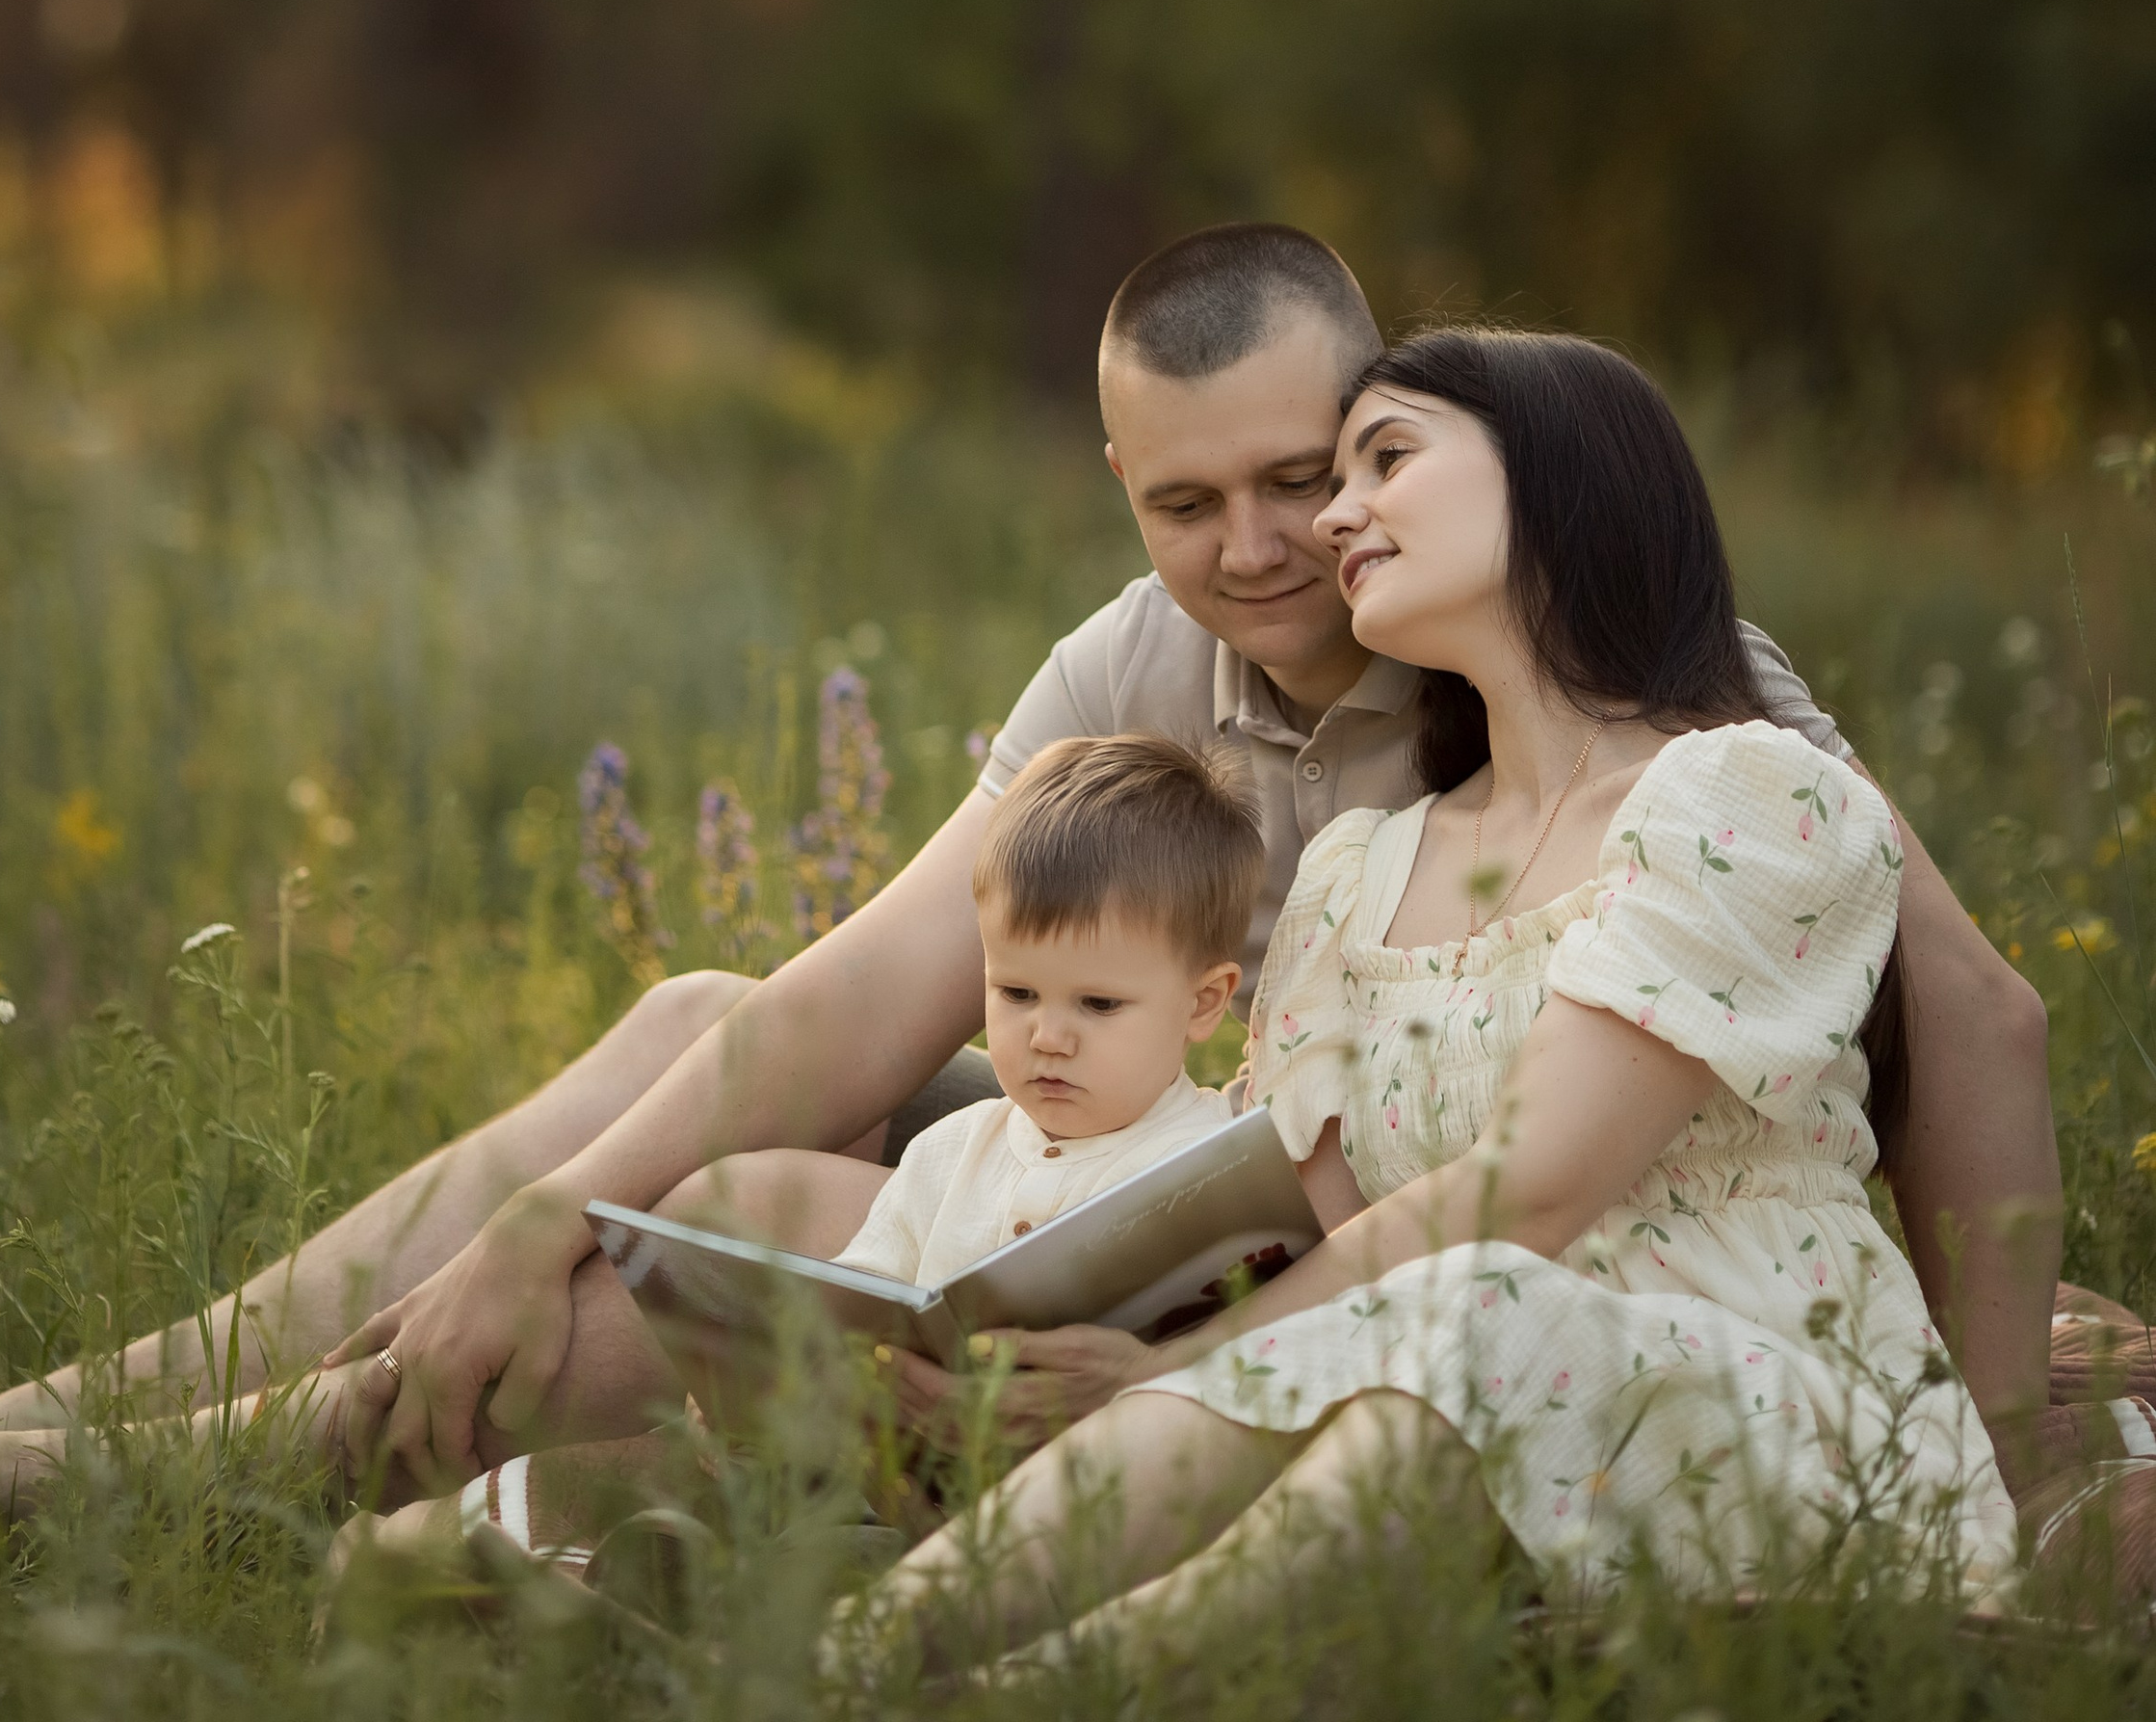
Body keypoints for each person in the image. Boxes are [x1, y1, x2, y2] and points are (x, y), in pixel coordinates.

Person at [0, 225, 2057, 1525]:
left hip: (1391, 1254)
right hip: (1169, 1158)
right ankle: (39, 1435)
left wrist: (1964, 1436)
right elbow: (868, 1001)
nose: (1252, 550)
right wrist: (536, 1216)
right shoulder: (1135, 656)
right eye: (1179, 501)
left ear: (1398, 434)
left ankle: (149, 1496)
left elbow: (1957, 1008)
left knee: (766, 1224)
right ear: (1122, 491)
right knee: (705, 1049)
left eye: (1306, 479)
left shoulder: (1636, 675)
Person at [838, 330, 2016, 1686]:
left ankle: (1038, 1697)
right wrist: (1071, 1342)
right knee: (1388, 1347)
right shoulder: (1356, 876)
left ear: (1561, 483)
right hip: (1436, 1391)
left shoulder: (1745, 797)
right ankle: (849, 1664)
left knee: (1472, 1311)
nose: (1334, 514)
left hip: (1759, 1425)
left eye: (1385, 460)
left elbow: (1533, 1191)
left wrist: (1187, 1363)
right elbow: (1308, 1237)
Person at [325, 730, 1262, 1590]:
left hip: (1084, 1511)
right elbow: (854, 1295)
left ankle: (599, 1589)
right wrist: (768, 1373)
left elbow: (1247, 1348)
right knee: (714, 1490)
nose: (1046, 1037)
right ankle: (460, 1559)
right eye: (1015, 992)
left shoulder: (1206, 1171)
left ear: (1201, 1003)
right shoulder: (952, 1153)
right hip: (880, 1477)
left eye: (1097, 1007)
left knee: (823, 1566)